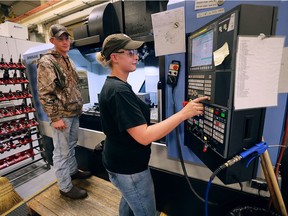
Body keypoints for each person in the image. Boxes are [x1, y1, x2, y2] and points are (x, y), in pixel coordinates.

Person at [96, 33, 208, 216]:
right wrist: (184, 114)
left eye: (136, 52)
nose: (136, 56)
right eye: (130, 53)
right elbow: (144, 136)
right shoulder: (119, 91)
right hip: (130, 169)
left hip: (118, 162)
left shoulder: (115, 85)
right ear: (115, 57)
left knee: (129, 201)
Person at [37, 24, 91, 199]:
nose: (65, 41)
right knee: (61, 152)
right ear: (52, 40)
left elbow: (73, 86)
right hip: (62, 116)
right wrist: (55, 117)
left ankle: (72, 171)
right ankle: (65, 187)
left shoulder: (68, 59)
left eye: (67, 37)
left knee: (71, 146)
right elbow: (45, 93)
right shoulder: (47, 62)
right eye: (60, 38)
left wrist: (79, 104)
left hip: (73, 112)